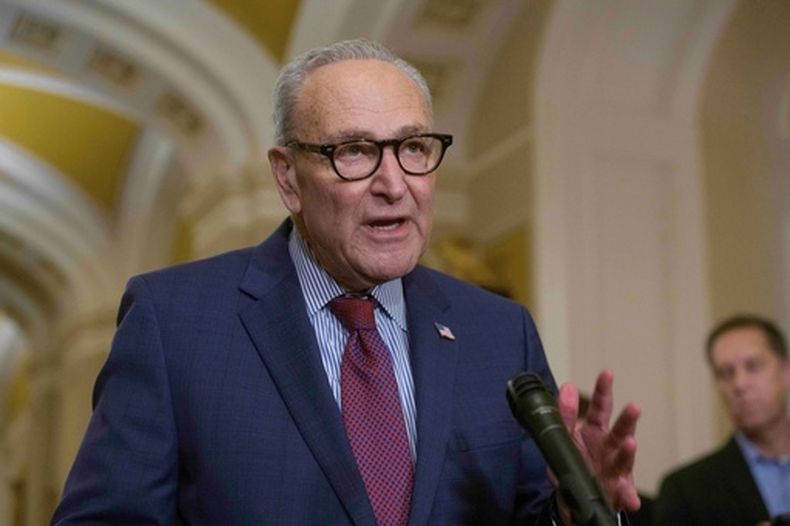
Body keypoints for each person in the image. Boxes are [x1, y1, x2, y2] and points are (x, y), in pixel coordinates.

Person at [52, 39, 640, 525]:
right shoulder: (174, 320)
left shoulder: (496, 330)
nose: (394, 183)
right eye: (355, 151)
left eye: (413, 147)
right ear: (288, 179)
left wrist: (573, 507)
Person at [654, 314, 790, 526]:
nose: (740, 384)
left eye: (753, 366)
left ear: (785, 372)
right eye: (726, 373)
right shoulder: (685, 490)